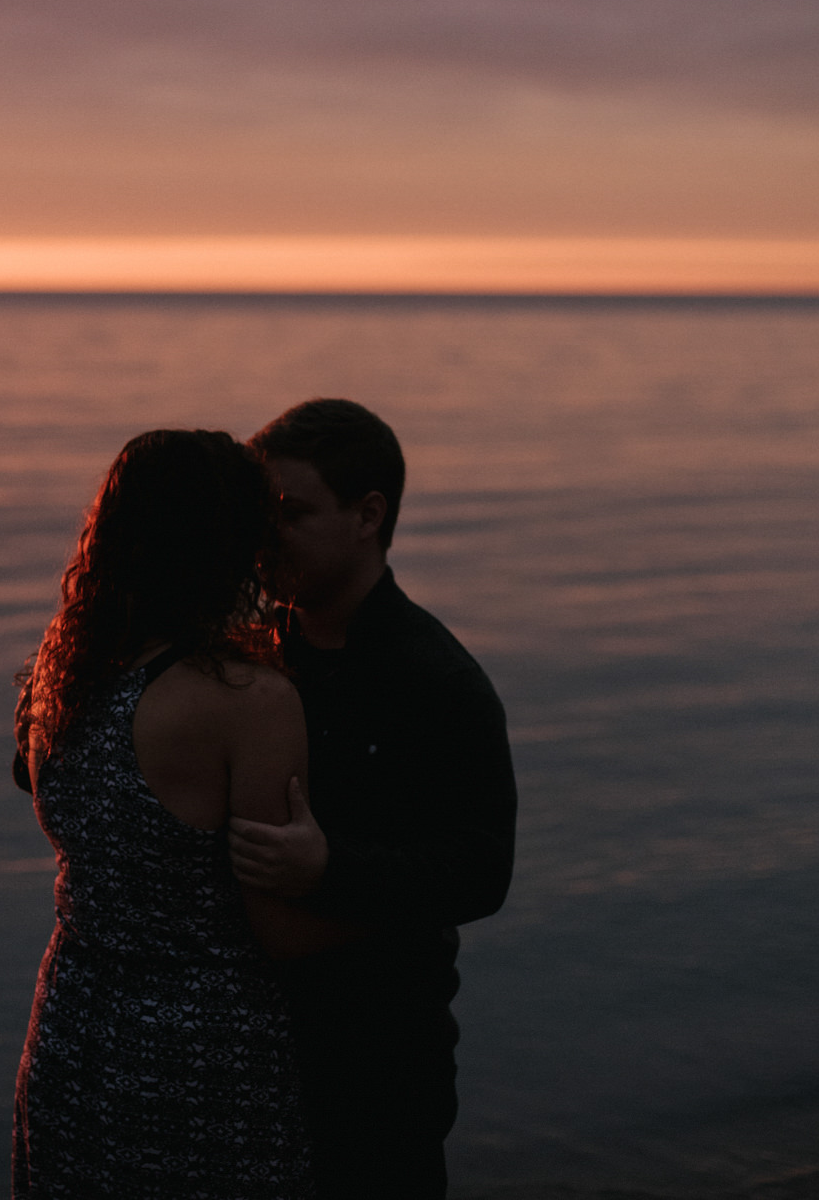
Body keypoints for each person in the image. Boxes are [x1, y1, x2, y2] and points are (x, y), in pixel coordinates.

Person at [10, 428, 341, 1200]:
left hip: (71, 1021)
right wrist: (394, 909)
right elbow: (280, 929)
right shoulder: (248, 700)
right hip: (199, 1055)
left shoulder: (63, 664)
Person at [229, 399, 516, 1200]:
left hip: (380, 1062)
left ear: (368, 515)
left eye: (291, 511)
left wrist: (331, 867)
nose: (268, 531)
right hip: (243, 1061)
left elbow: (482, 871)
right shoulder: (245, 654)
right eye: (261, 511)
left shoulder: (438, 680)